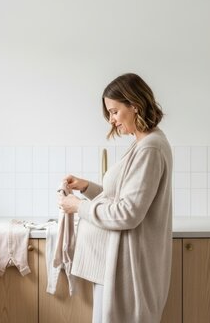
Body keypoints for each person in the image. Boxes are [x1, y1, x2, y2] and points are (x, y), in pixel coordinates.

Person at [57, 73, 173, 323]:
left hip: (131, 268)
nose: (111, 120)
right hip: (120, 266)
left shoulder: (149, 148)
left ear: (134, 106)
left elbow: (127, 214)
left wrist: (79, 207)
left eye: (114, 111)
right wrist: (87, 187)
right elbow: (120, 198)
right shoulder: (141, 144)